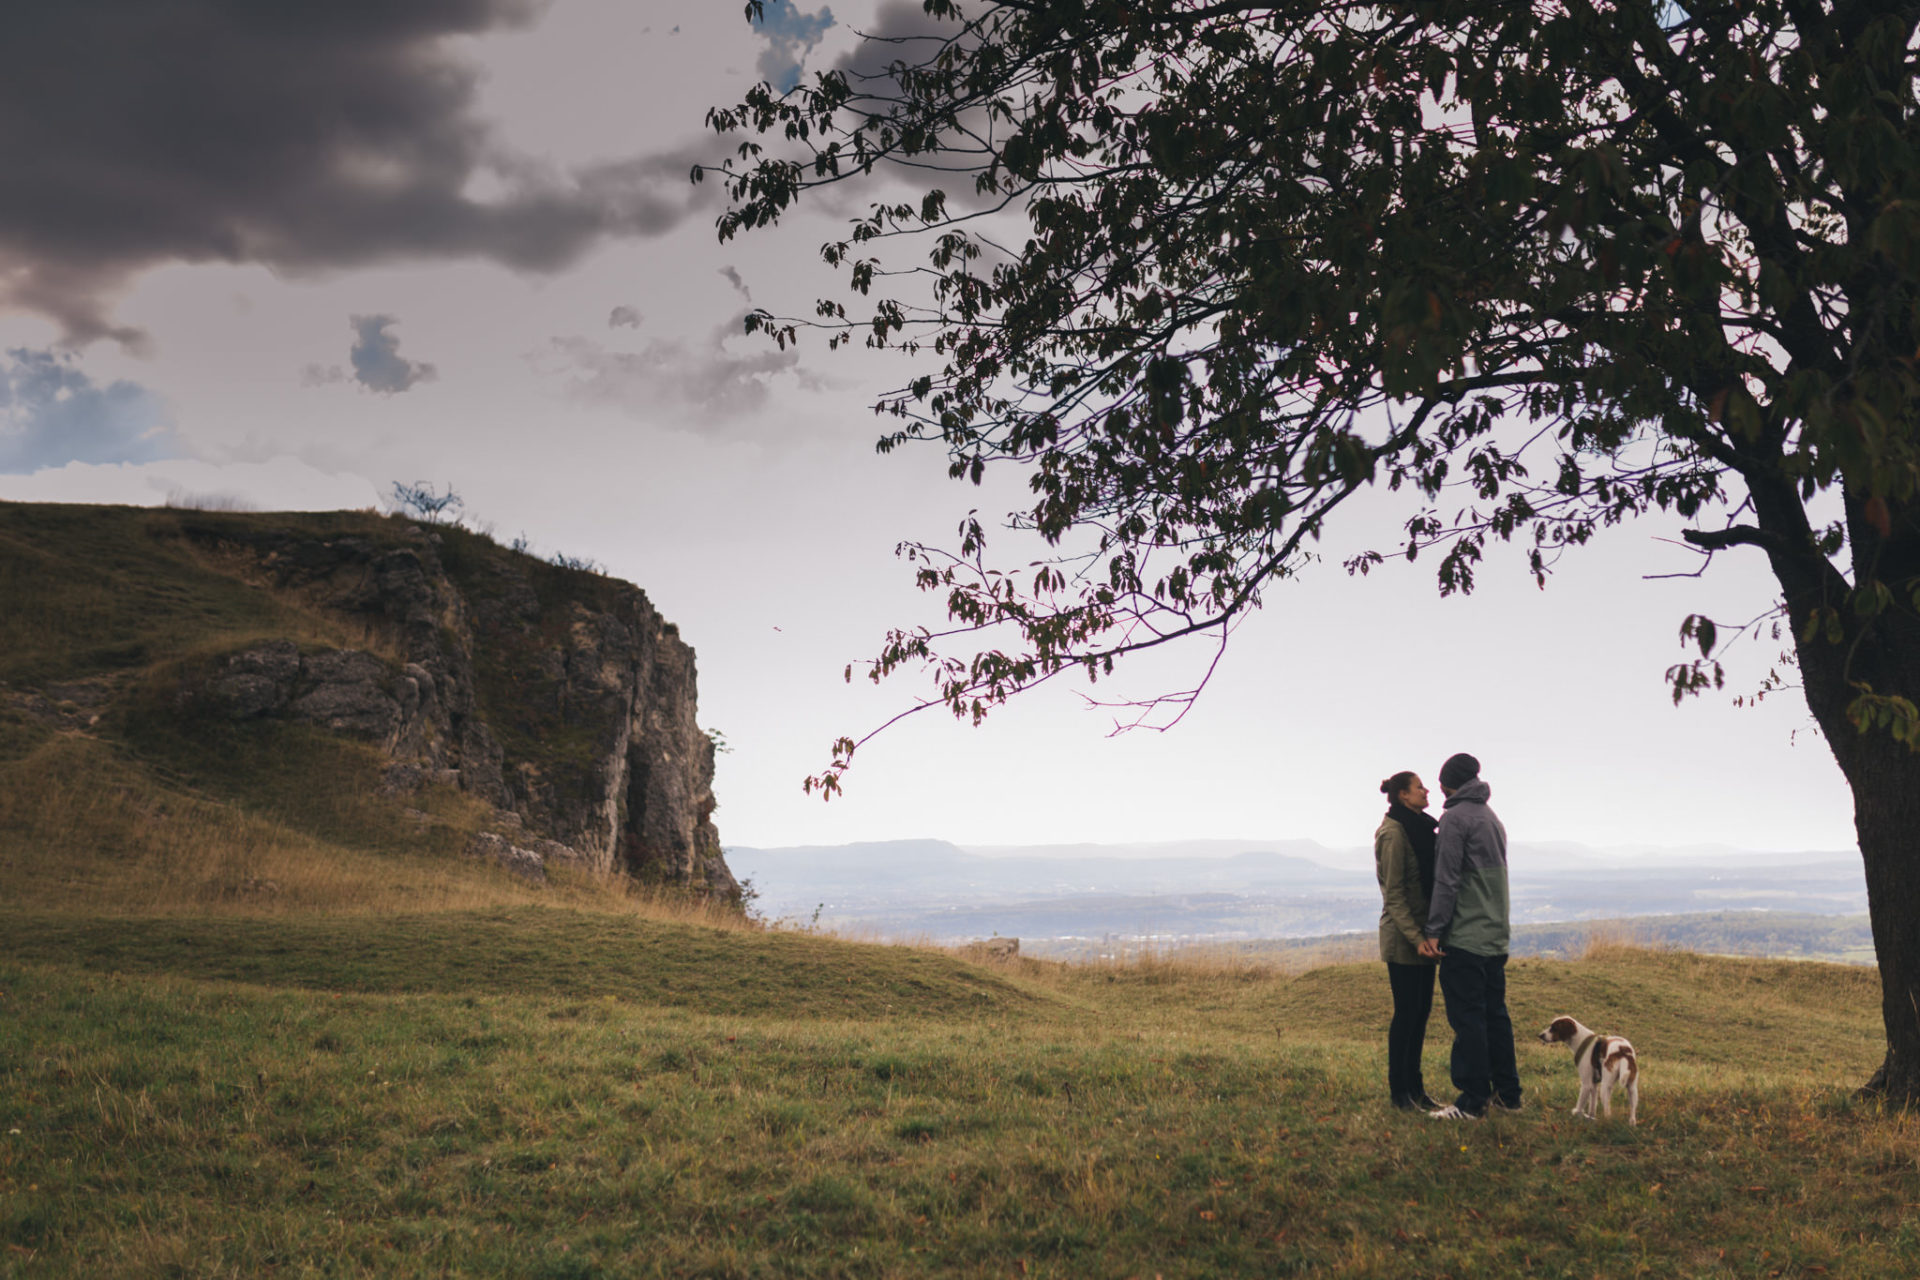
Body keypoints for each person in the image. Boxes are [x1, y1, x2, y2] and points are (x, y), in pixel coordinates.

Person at [1419, 752, 1520, 1120]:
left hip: (1466, 936)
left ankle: (1472, 1102)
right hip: (1495, 934)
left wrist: (1433, 931)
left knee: (1468, 1021)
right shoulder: (1491, 818)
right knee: (1496, 1016)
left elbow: (1446, 881)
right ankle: (1508, 1095)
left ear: (1449, 784)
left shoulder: (1455, 820)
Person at [1375, 770, 1440, 1111]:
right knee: (1406, 1015)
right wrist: (1417, 938)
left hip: (1422, 939)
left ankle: (1416, 1090)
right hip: (1404, 941)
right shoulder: (1395, 834)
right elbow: (1395, 896)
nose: (1426, 790)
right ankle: (1399, 1092)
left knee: (1421, 1013)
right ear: (1402, 794)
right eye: (1419, 786)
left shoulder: (1419, 829)